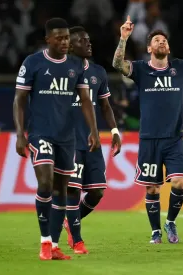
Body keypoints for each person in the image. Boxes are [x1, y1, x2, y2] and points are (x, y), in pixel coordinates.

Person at [112, 16, 183, 244]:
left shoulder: (178, 67)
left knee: (179, 181)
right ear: (149, 48)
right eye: (157, 40)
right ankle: (155, 231)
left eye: (164, 40)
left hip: (175, 137)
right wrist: (123, 38)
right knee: (152, 188)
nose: (161, 43)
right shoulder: (140, 70)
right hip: (149, 138)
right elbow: (118, 64)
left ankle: (170, 221)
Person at [13, 18, 100, 260]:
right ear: (48, 39)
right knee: (45, 183)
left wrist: (93, 130)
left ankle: (53, 245)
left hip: (67, 137)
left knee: (62, 189)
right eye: (59, 38)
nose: (64, 42)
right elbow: (19, 100)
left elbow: (85, 100)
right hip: (41, 133)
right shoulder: (33, 63)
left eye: (66, 38)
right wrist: (20, 134)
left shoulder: (75, 65)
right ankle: (44, 242)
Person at [62, 26, 122, 254]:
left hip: (93, 141)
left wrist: (115, 131)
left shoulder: (98, 72)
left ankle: (70, 220)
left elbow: (105, 105)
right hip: (70, 141)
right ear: (70, 45)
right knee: (73, 190)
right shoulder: (61, 71)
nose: (89, 44)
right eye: (82, 41)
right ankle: (77, 240)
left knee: (97, 191)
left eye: (89, 40)